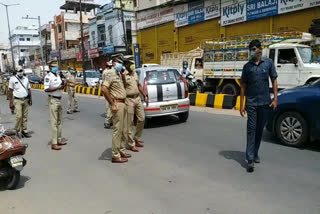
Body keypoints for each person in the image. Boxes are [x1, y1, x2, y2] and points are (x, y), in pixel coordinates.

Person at [240, 39, 278, 173]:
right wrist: (242, 104)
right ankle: (249, 159)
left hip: (264, 102)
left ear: (260, 49)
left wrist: (275, 99)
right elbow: (243, 86)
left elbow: (274, 80)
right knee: (251, 129)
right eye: (250, 49)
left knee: (259, 130)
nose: (252, 51)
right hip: (251, 103)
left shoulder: (268, 63)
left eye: (254, 49)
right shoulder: (247, 67)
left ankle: (255, 152)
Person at [101, 60, 131, 163]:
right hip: (117, 104)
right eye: (119, 62)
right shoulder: (110, 73)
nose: (121, 65)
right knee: (118, 130)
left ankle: (121, 150)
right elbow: (104, 89)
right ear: (114, 63)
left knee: (124, 129)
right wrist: (112, 104)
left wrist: (122, 73)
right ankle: (115, 155)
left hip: (123, 103)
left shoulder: (119, 73)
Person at [123, 61, 147, 151]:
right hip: (128, 99)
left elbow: (139, 85)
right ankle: (131, 143)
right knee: (130, 123)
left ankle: (136, 138)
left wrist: (145, 95)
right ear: (126, 66)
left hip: (137, 99)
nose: (133, 66)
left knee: (142, 118)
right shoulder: (123, 75)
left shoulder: (135, 73)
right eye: (131, 64)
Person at [44, 64, 67, 151]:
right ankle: (54, 143)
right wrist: (58, 88)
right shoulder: (48, 77)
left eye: (56, 66)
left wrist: (63, 85)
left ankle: (59, 140)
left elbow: (61, 86)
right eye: (53, 67)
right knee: (54, 122)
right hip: (53, 100)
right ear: (50, 68)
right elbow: (46, 89)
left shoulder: (58, 75)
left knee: (60, 121)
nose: (55, 68)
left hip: (59, 99)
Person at [8, 66, 32, 138]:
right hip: (17, 100)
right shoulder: (12, 79)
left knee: (25, 117)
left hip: (25, 99)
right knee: (19, 116)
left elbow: (29, 89)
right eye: (19, 71)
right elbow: (10, 91)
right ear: (16, 71)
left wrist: (31, 99)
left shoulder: (26, 79)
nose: (20, 72)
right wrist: (10, 102)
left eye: (21, 70)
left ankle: (24, 131)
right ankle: (16, 130)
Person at [102, 61, 113, 129]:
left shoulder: (105, 71)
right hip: (109, 89)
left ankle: (109, 120)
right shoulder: (108, 72)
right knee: (110, 105)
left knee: (109, 105)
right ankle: (108, 121)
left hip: (107, 88)